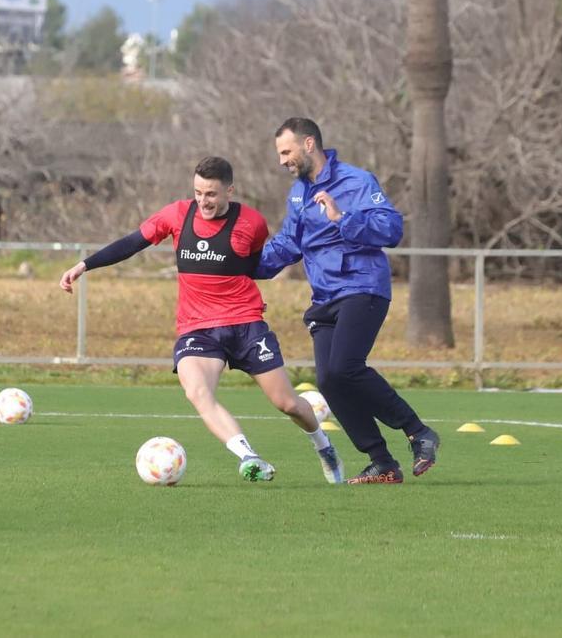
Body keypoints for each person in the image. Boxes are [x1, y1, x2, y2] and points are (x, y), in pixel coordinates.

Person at [59, 155, 344, 484]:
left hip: (245, 323)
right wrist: (85, 265)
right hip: (198, 327)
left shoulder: (252, 223)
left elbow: (253, 266)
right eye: (198, 193)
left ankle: (323, 446)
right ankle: (248, 457)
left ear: (229, 191)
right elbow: (132, 243)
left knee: (287, 402)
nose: (203, 201)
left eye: (211, 194)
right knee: (197, 392)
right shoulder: (177, 214)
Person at [254, 117, 440, 485]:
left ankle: (419, 431)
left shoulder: (357, 181)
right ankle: (381, 461)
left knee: (344, 367)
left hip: (362, 286)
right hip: (324, 296)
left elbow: (392, 229)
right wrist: (240, 264)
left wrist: (342, 218)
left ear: (309, 145)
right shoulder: (298, 194)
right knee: (329, 380)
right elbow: (287, 245)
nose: (282, 161)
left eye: (286, 152)